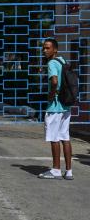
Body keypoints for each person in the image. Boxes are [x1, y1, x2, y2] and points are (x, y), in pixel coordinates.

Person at [38, 38, 73, 180]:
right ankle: (69, 171)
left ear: (55, 49)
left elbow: (54, 81)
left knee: (54, 138)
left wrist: (51, 96)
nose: (45, 51)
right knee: (65, 137)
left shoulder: (52, 63)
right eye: (44, 48)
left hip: (55, 105)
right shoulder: (62, 61)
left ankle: (56, 169)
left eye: (47, 48)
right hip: (66, 105)